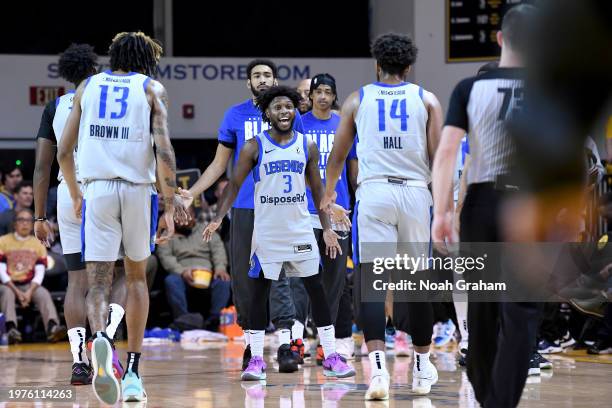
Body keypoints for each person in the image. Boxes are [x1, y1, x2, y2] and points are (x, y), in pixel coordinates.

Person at [203, 86, 355, 380]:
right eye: (277, 107)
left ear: (295, 111)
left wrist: (326, 228)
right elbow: (233, 185)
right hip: (268, 231)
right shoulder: (253, 146)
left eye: (289, 107)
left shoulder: (307, 145)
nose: (284, 112)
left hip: (299, 229)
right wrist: (219, 217)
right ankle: (256, 360)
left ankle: (331, 353)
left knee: (316, 291)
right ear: (267, 113)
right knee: (260, 295)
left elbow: (317, 189)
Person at [322, 33, 444, 399]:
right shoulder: (427, 99)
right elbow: (439, 159)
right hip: (414, 192)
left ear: (378, 64)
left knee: (371, 282)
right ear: (408, 67)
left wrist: (328, 194)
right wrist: (443, 208)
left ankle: (378, 372)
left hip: (374, 192)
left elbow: (339, 155)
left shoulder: (358, 98)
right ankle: (422, 368)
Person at [58, 31, 177, 405]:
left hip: (97, 189)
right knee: (137, 279)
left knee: (98, 281)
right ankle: (134, 374)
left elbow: (64, 149)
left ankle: (102, 340)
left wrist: (77, 195)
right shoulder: (151, 88)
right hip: (137, 190)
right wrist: (171, 205)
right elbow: (164, 150)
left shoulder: (88, 87)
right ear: (146, 59)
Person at [431, 5, 538, 407]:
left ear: (500, 39)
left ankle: (488, 397)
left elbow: (445, 154)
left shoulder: (468, 88)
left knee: (482, 308)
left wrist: (442, 212)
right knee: (522, 312)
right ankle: (501, 401)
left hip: (482, 202)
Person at [178, 59, 305, 370]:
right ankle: (253, 349)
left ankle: (287, 345)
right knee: (246, 281)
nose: (262, 80)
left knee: (280, 277)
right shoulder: (234, 115)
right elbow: (219, 165)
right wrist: (192, 193)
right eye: (256, 75)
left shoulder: (291, 114)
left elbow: (304, 163)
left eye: (267, 75)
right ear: (248, 83)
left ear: (275, 81)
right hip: (244, 208)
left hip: (281, 207)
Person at [33, 43, 127, 386]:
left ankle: (78, 362)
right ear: (96, 68)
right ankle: (106, 337)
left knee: (77, 281)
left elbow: (42, 169)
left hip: (67, 194)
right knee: (121, 274)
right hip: (106, 190)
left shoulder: (55, 106)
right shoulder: (111, 99)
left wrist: (39, 217)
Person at [301, 73, 357, 364]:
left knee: (335, 281)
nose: (323, 96)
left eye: (328, 92)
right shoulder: (298, 125)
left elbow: (354, 171)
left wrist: (350, 203)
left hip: (340, 212)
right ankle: (302, 337)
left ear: (335, 96)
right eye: (318, 91)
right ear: (310, 95)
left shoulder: (344, 126)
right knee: (304, 279)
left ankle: (329, 342)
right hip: (305, 212)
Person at [158, 206, 230, 332]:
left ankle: (214, 320)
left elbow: (218, 250)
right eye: (179, 216)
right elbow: (166, 257)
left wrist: (220, 268)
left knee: (223, 280)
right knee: (171, 280)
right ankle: (183, 320)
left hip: (207, 273)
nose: (184, 219)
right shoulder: (168, 234)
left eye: (187, 215)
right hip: (183, 275)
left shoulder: (206, 229)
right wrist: (182, 271)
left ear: (194, 216)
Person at [0, 209, 66, 344]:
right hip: (8, 284)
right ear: (14, 224)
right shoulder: (3, 241)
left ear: (32, 224)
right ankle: (11, 329)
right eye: (21, 220)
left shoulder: (38, 243)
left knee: (43, 294)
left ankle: (52, 327)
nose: (24, 224)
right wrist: (17, 292)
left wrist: (29, 292)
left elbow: (40, 271)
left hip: (30, 284)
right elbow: (1, 270)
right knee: (6, 293)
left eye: (28, 220)